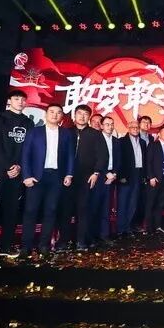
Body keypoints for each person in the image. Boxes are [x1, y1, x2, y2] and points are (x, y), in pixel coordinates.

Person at [19, 104, 74, 258]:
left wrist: (69, 174)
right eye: (52, 112)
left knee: (50, 211)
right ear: (46, 114)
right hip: (36, 177)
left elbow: (70, 155)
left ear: (62, 116)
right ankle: (26, 246)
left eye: (58, 113)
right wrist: (26, 175)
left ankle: (44, 245)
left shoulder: (66, 134)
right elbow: (25, 154)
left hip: (56, 177)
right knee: (31, 211)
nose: (55, 115)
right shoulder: (34, 132)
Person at [58, 105, 108, 251]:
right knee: (65, 210)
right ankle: (63, 241)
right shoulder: (66, 132)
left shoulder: (96, 134)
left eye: (86, 114)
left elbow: (103, 155)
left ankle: (81, 241)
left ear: (89, 117)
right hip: (66, 177)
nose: (82, 116)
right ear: (74, 115)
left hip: (86, 177)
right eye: (79, 113)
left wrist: (96, 173)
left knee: (83, 210)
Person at [0, 90, 34, 257]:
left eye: (23, 99)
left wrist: (20, 167)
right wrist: (8, 167)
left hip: (18, 173)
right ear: (9, 100)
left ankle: (6, 246)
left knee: (12, 211)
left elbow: (29, 148)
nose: (20, 102)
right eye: (16, 99)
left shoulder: (28, 122)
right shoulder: (0, 118)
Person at [93, 116, 120, 245]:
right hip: (97, 176)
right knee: (94, 206)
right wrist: (105, 173)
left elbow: (118, 160)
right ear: (102, 126)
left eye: (112, 124)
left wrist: (114, 174)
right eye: (107, 124)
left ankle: (104, 235)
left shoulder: (116, 141)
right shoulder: (96, 139)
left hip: (111, 178)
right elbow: (93, 159)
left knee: (106, 207)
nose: (110, 126)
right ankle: (92, 235)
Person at [117, 119, 147, 237]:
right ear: (128, 128)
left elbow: (144, 160)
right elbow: (119, 160)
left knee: (133, 202)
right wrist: (121, 176)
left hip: (138, 174)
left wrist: (144, 176)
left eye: (137, 127)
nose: (135, 129)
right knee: (123, 202)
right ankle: (120, 229)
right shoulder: (121, 141)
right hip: (126, 175)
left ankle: (128, 227)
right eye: (132, 127)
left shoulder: (143, 142)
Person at [144, 127, 164, 233]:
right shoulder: (153, 145)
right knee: (151, 203)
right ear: (159, 134)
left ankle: (158, 226)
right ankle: (148, 227)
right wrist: (151, 177)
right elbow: (148, 162)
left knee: (161, 204)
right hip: (155, 179)